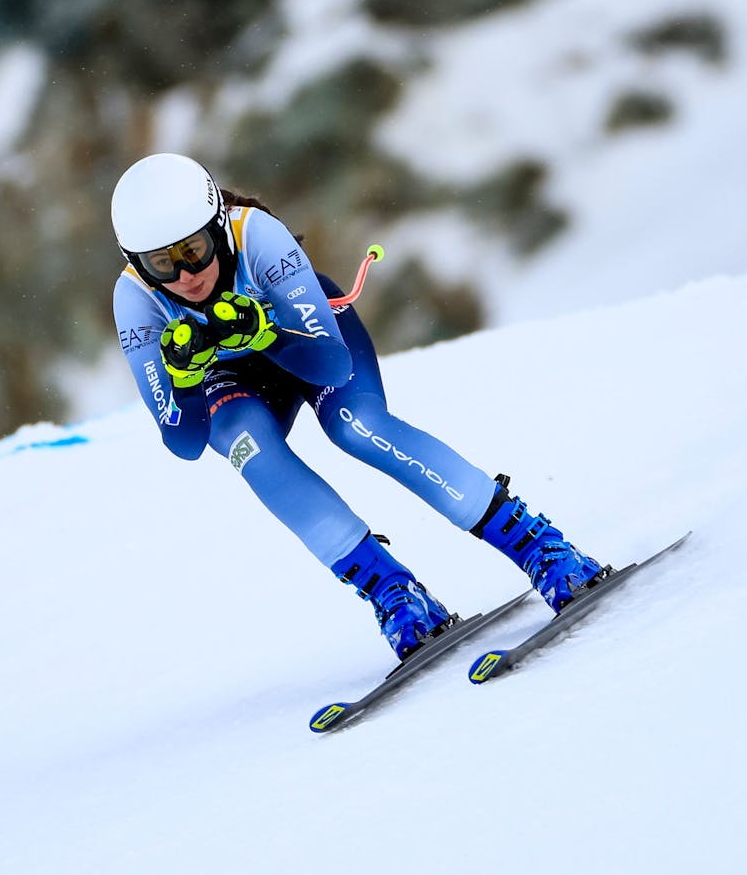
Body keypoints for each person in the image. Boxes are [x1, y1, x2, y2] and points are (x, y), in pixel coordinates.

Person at [110, 152, 605, 660]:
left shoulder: (257, 236)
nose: (187, 275)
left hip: (308, 342)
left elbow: (329, 365)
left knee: (355, 425)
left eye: (195, 250)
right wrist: (187, 380)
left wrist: (265, 333)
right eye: (162, 263)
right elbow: (185, 442)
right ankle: (395, 594)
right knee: (249, 449)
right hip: (231, 381)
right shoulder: (135, 300)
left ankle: (540, 546)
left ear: (217, 228)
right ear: (138, 263)